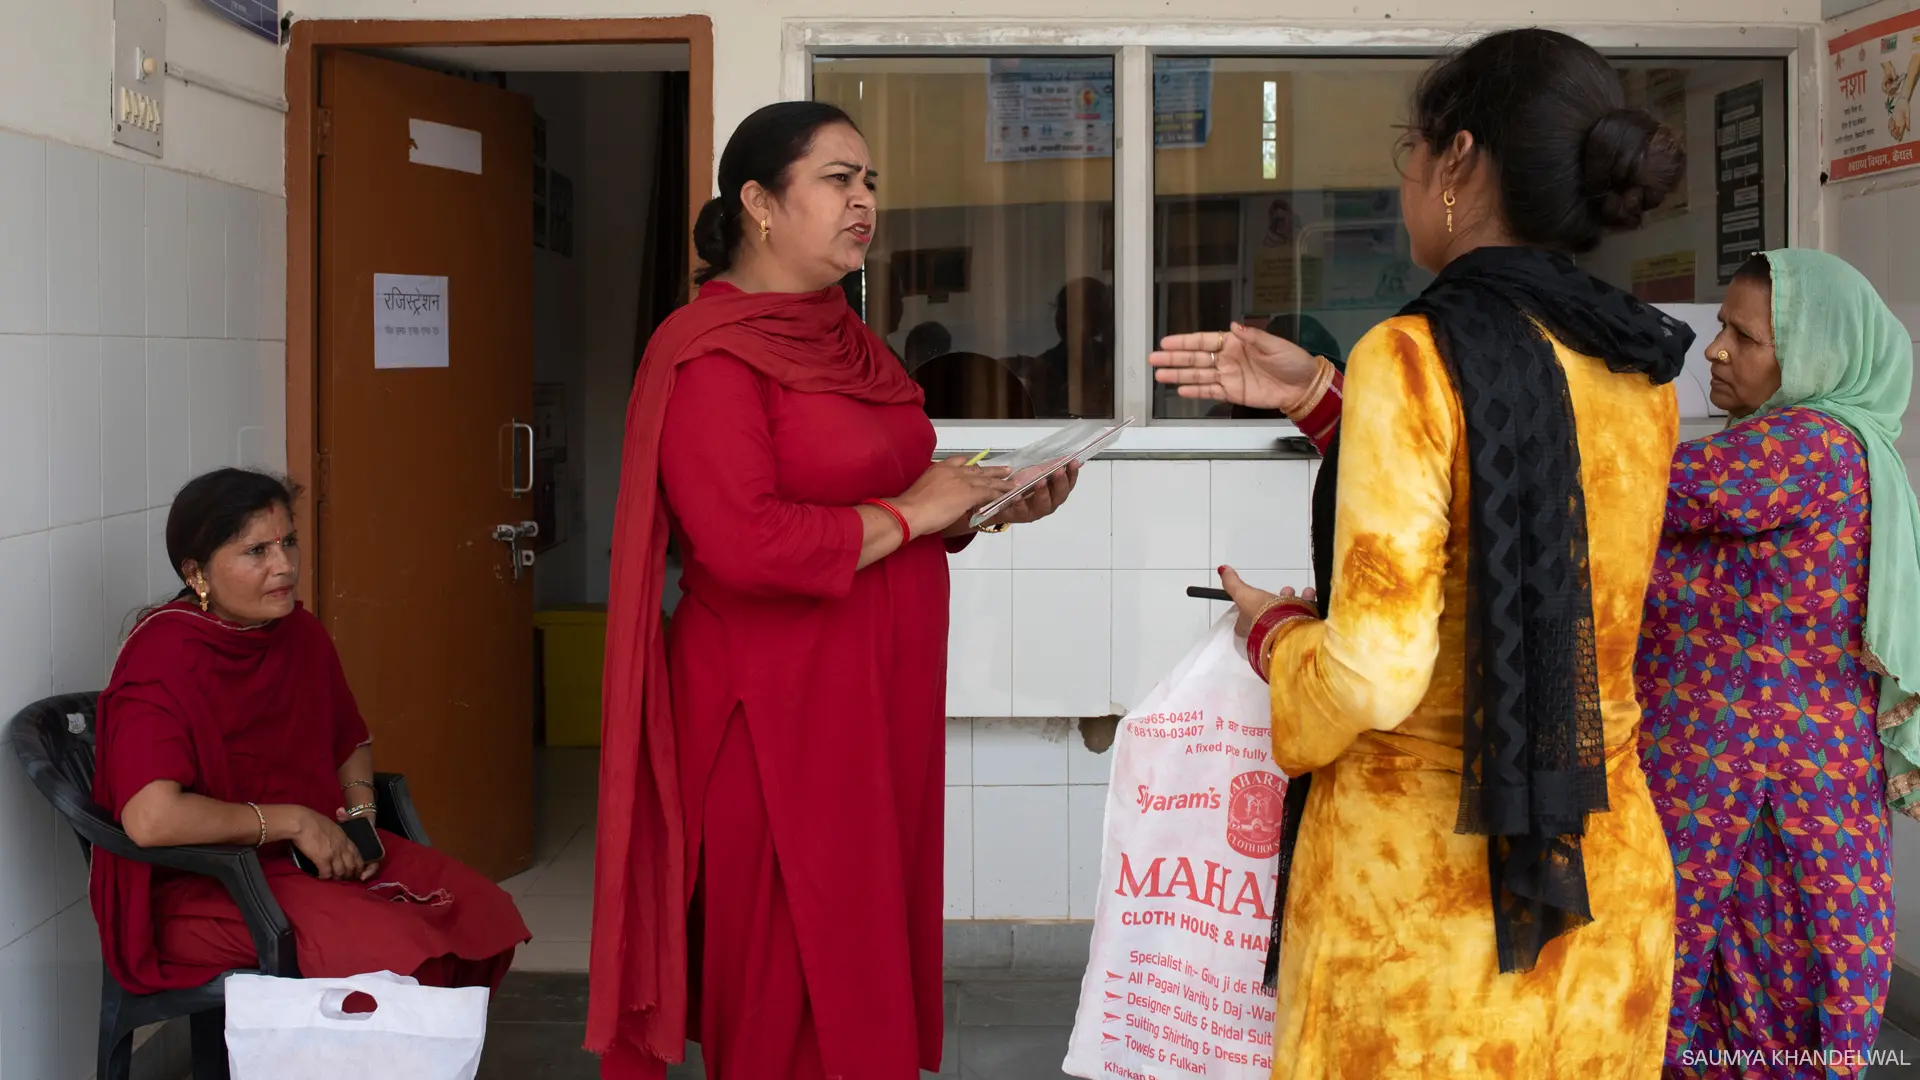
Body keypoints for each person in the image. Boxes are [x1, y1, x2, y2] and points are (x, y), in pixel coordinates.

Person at [1151, 28, 1691, 1077]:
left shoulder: (1411, 351)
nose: (1405, 173)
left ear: (1458, 161)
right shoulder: (1635, 358)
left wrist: (1277, 635)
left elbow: (1372, 671)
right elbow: (1519, 502)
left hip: (1425, 900)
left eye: (1413, 146)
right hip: (1599, 869)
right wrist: (1320, 398)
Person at [591, 101, 1077, 1080]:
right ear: (760, 204)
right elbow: (743, 543)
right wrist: (916, 512)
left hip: (874, 691)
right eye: (837, 180)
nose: (863, 202)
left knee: (860, 937)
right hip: (771, 706)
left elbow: (893, 500)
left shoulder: (848, 338)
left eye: (870, 184)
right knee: (785, 965)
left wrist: (985, 508)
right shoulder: (710, 353)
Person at [1637, 250, 1920, 1078]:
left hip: (1759, 801)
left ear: (1818, 353)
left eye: (1745, 335)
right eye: (1721, 325)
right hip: (1771, 785)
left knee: (1754, 1019)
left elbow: (1640, 486)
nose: (1715, 350)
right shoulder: (1804, 444)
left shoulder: (1806, 447)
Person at [89, 468, 529, 994]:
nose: (285, 566)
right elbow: (152, 819)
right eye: (257, 552)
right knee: (404, 958)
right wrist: (295, 822)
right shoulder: (162, 657)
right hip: (210, 882)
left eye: (289, 542)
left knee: (483, 917)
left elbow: (350, 741)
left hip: (312, 858)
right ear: (197, 572)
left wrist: (361, 824)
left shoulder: (297, 632)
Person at [1029, 277, 1114, 418]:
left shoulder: (1112, 363)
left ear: (1097, 317)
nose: (1064, 317)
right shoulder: (1045, 364)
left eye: (1075, 311)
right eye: (1062, 308)